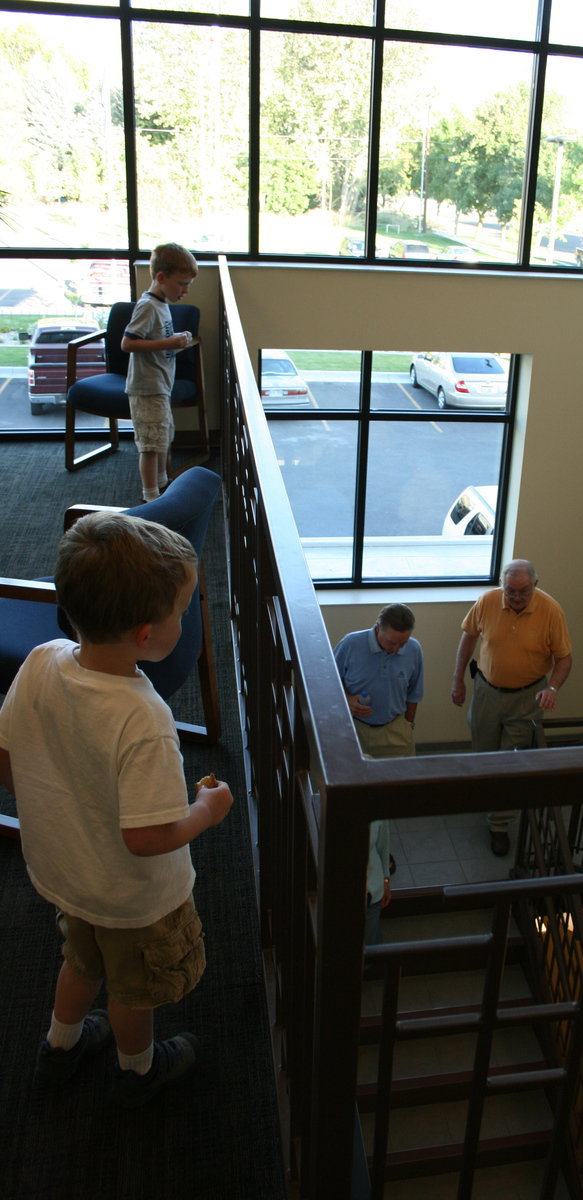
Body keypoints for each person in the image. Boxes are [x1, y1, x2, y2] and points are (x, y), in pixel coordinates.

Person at [0, 511, 234, 1108]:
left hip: (67, 873)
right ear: (144, 634)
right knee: (133, 990)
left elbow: (8, 756)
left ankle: (61, 1045)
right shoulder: (144, 719)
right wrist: (206, 810)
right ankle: (138, 1071)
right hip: (133, 899)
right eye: (182, 609)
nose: (187, 617)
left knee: (80, 960)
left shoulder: (40, 660)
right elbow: (149, 837)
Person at [451, 558, 572, 857]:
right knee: (483, 752)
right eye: (510, 591)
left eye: (523, 591)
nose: (516, 597)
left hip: (527, 698)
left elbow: (564, 659)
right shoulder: (488, 601)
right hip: (486, 692)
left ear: (535, 585)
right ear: (502, 586)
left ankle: (499, 825)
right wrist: (458, 680)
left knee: (511, 761)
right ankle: (485, 798)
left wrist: (552, 688)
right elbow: (468, 638)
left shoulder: (551, 611)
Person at [122, 242, 198, 502]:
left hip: (160, 384)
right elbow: (128, 343)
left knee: (163, 436)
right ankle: (151, 497)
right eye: (182, 283)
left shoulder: (162, 303)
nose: (185, 291)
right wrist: (169, 342)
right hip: (146, 387)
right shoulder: (148, 306)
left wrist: (177, 339)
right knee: (150, 444)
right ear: (161, 277)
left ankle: (163, 484)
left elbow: (157, 339)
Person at [333, 603, 424, 761]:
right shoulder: (350, 644)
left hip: (396, 732)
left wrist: (408, 726)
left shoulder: (414, 649)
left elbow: (414, 693)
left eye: (402, 643)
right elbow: (330, 683)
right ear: (377, 628)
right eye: (391, 642)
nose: (396, 649)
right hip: (353, 729)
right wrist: (346, 701)